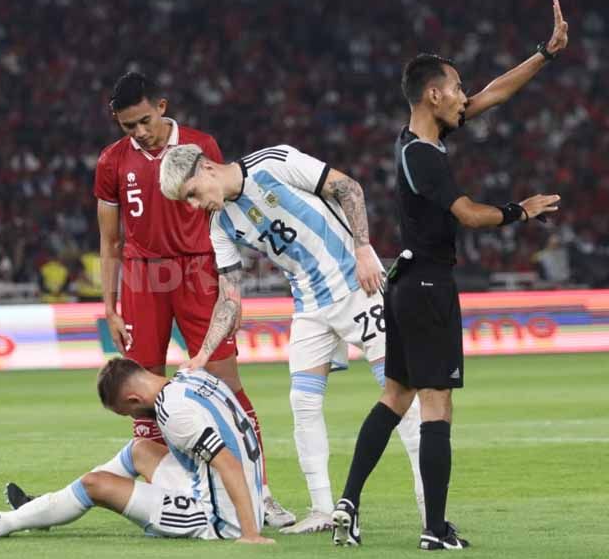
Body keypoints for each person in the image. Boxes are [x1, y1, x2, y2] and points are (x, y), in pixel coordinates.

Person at [332, 0, 569, 550]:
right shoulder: (425, 158)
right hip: (430, 286)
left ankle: (348, 502)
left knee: (395, 396)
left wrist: (544, 55)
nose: (465, 95)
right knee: (437, 405)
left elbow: (493, 96)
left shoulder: (419, 141)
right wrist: (520, 210)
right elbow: (467, 213)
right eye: (456, 86)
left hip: (408, 283)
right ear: (434, 94)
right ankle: (435, 531)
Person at [159, 143, 433, 535]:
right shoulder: (221, 225)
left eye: (191, 194)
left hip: (357, 287)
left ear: (206, 168)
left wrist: (363, 249)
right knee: (302, 402)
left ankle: (429, 514)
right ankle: (322, 509)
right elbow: (229, 297)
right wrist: (202, 354)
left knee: (402, 399)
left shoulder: (275, 161)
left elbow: (348, 188)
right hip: (309, 305)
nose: (193, 206)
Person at [94, 72, 292, 526]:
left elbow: (222, 215)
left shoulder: (203, 145)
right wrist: (110, 306)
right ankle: (165, 496)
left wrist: (228, 283)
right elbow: (110, 241)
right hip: (142, 279)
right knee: (140, 392)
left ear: (162, 106)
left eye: (144, 120)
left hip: (199, 271)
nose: (139, 132)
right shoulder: (111, 162)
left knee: (227, 385)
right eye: (128, 126)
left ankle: (259, 495)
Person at [0, 358, 274, 544]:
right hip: (234, 495)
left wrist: (249, 534)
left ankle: (1, 524)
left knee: (95, 484)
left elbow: (227, 464)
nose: (132, 417)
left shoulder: (174, 412)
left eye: (125, 412)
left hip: (216, 518)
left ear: (132, 399)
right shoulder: (189, 377)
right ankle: (42, 508)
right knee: (140, 449)